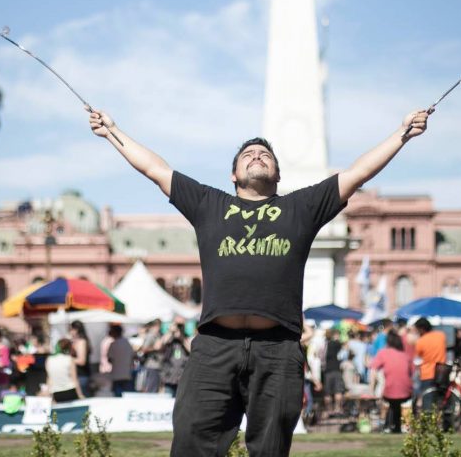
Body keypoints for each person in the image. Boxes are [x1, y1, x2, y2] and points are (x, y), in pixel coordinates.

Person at [88, 105, 430, 457]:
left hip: (278, 349)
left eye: (264, 155)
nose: (256, 156)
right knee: (191, 442)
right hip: (213, 347)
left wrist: (402, 133)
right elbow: (154, 168)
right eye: (248, 154)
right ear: (233, 175)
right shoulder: (209, 204)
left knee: (270, 450)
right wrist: (113, 131)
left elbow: (358, 173)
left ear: (277, 175)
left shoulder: (301, 208)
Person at [369, 331, 411, 434]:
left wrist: (371, 387)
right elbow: (411, 372)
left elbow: (373, 369)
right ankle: (395, 426)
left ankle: (388, 425)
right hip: (406, 390)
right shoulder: (405, 355)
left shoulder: (383, 353)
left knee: (390, 402)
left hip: (390, 390)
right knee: (395, 403)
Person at [414, 317, 447, 410]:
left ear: (421, 329)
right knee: (439, 400)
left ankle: (428, 423)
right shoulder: (441, 335)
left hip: (427, 374)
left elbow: (417, 359)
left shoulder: (421, 341)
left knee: (427, 402)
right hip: (442, 373)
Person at [45, 338, 83, 403]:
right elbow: (74, 379)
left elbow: (49, 379)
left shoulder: (49, 359)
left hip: (56, 393)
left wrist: (48, 395)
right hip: (70, 391)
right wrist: (80, 395)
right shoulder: (69, 359)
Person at [160, 319, 191, 397]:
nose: (179, 328)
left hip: (183, 378)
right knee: (168, 403)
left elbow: (191, 350)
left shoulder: (187, 338)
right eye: (177, 325)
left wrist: (181, 338)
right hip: (169, 377)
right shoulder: (169, 338)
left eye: (180, 326)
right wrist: (170, 331)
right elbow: (159, 345)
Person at [321, 328, 345, 416]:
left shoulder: (324, 345)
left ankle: (329, 410)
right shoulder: (337, 343)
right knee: (338, 390)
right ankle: (337, 408)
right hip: (336, 369)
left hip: (326, 370)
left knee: (327, 392)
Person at [105, 324, 134, 396]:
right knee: (128, 397)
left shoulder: (113, 344)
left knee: (118, 398)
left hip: (116, 375)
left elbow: (109, 359)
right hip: (127, 374)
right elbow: (132, 356)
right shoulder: (127, 343)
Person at [69, 321, 92, 397]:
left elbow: (82, 361)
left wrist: (68, 359)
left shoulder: (81, 342)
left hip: (81, 376)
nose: (70, 331)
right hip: (78, 375)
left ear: (77, 330)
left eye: (71, 329)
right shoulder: (76, 341)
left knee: (83, 399)